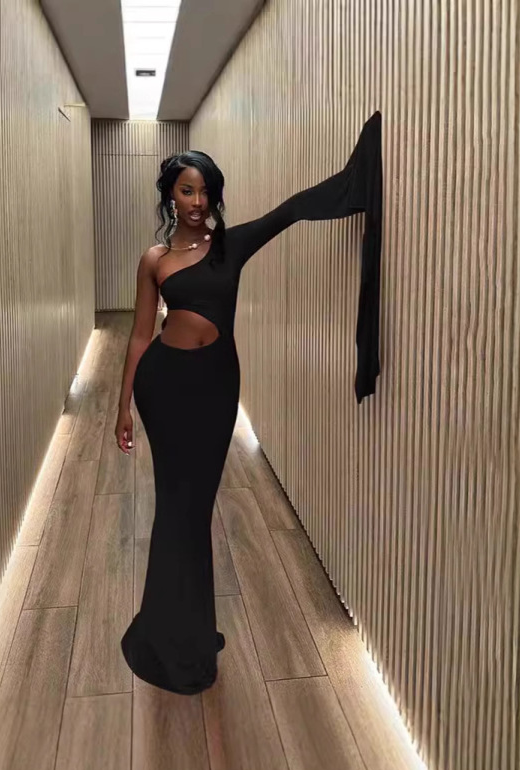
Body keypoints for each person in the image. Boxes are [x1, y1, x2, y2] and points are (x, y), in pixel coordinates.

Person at [115, 111, 383, 695]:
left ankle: (184, 631)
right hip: (162, 386)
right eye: (186, 190)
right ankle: (171, 635)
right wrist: (123, 405)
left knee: (194, 507)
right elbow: (138, 335)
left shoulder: (230, 245)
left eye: (205, 191)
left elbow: (288, 212)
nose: (197, 201)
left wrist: (356, 179)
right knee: (175, 506)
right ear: (169, 195)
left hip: (215, 386)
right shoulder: (154, 260)